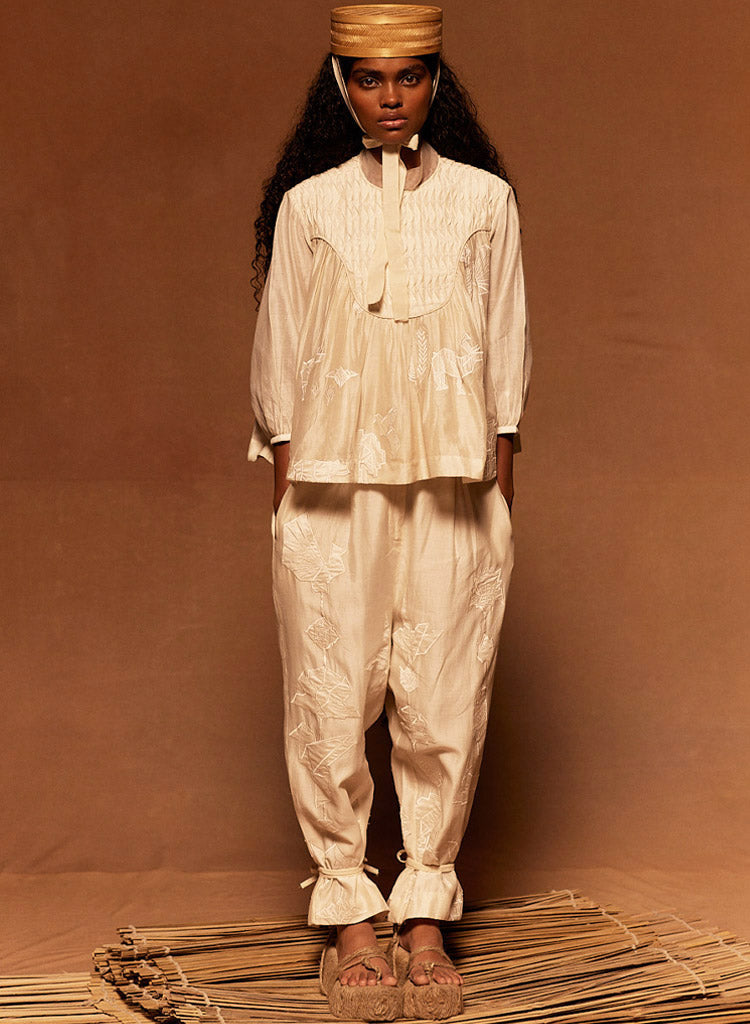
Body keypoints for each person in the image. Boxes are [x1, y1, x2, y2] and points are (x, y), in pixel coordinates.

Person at [249, 5, 530, 1019]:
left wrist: (499, 480)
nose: (390, 97)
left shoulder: (485, 201)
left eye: (409, 76)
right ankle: (350, 917)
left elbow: (507, 340)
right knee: (331, 695)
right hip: (332, 483)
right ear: (341, 85)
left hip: (456, 483)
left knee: (445, 697)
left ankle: (423, 917)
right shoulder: (310, 205)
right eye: (368, 78)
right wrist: (288, 478)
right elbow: (279, 345)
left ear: (436, 82)